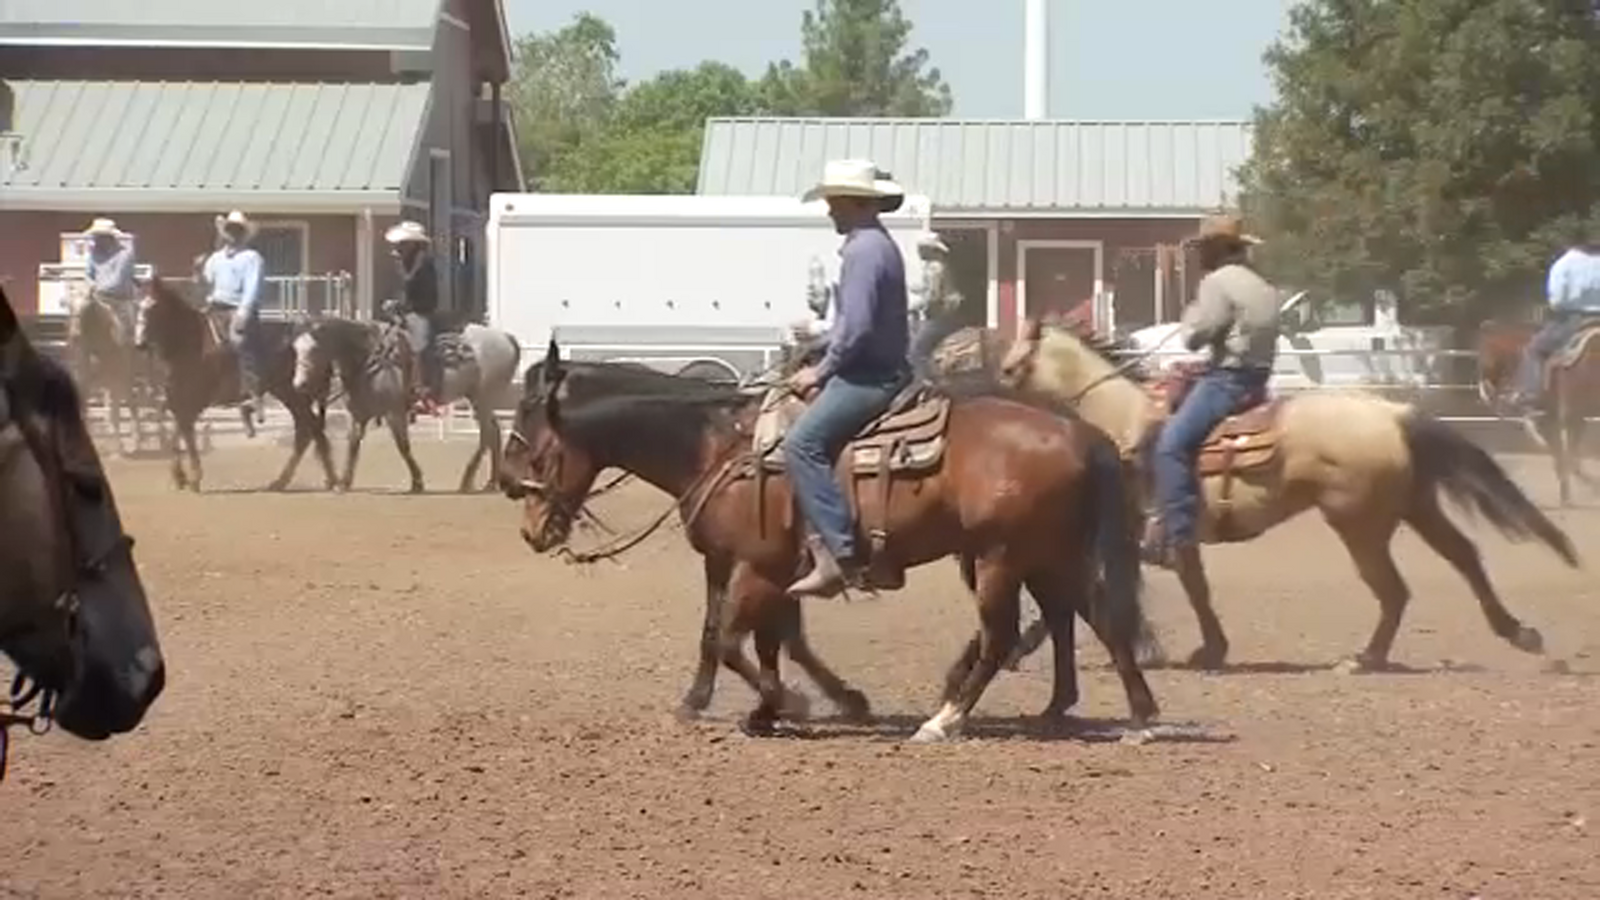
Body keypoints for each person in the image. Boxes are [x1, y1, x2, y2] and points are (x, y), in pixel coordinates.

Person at [782, 160, 913, 598]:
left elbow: (856, 330)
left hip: (869, 376)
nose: (829, 211)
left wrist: (820, 370)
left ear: (857, 203)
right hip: (878, 366)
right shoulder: (874, 244)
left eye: (835, 202)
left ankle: (837, 554)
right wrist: (820, 347)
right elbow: (852, 326)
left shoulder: (863, 251)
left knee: (801, 443)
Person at [1147, 214, 1279, 566]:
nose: (1198, 256)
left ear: (1217, 249)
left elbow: (1195, 336)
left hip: (1228, 380)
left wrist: (1190, 317)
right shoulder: (1260, 283)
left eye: (1202, 249)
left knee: (1170, 445)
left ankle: (1177, 535)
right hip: (1257, 377)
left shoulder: (1217, 282)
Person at [1509, 238, 1600, 416]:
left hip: (1575, 319)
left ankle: (1530, 395)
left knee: (1534, 350)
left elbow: (1557, 300)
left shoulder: (1565, 263)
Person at [202, 210, 267, 422]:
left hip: (238, 308)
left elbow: (252, 287)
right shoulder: (215, 258)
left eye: (237, 230)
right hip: (215, 308)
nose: (232, 234)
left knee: (241, 344)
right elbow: (207, 281)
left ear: (243, 234)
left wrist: (244, 312)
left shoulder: (252, 258)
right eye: (229, 230)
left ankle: (252, 394)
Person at [385, 221, 442, 412]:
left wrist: (403, 305)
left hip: (421, 312)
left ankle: (423, 390)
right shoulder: (407, 263)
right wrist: (395, 304)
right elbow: (405, 291)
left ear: (413, 244)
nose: (398, 248)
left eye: (402, 244)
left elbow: (420, 292)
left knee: (419, 345)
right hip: (409, 311)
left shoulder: (423, 264)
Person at [907, 231, 965, 381]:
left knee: (916, 352)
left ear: (930, 250)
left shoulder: (935, 268)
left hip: (939, 316)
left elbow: (934, 296)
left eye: (922, 248)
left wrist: (912, 307)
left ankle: (923, 383)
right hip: (943, 315)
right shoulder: (936, 266)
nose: (919, 251)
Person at [82, 217, 138, 339]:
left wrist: (98, 290)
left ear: (109, 238)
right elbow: (89, 274)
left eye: (98, 237)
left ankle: (130, 343)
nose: (95, 240)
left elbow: (118, 281)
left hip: (119, 299)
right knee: (79, 313)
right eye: (95, 236)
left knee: (127, 326)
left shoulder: (124, 254)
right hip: (97, 297)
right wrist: (90, 285)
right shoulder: (94, 254)